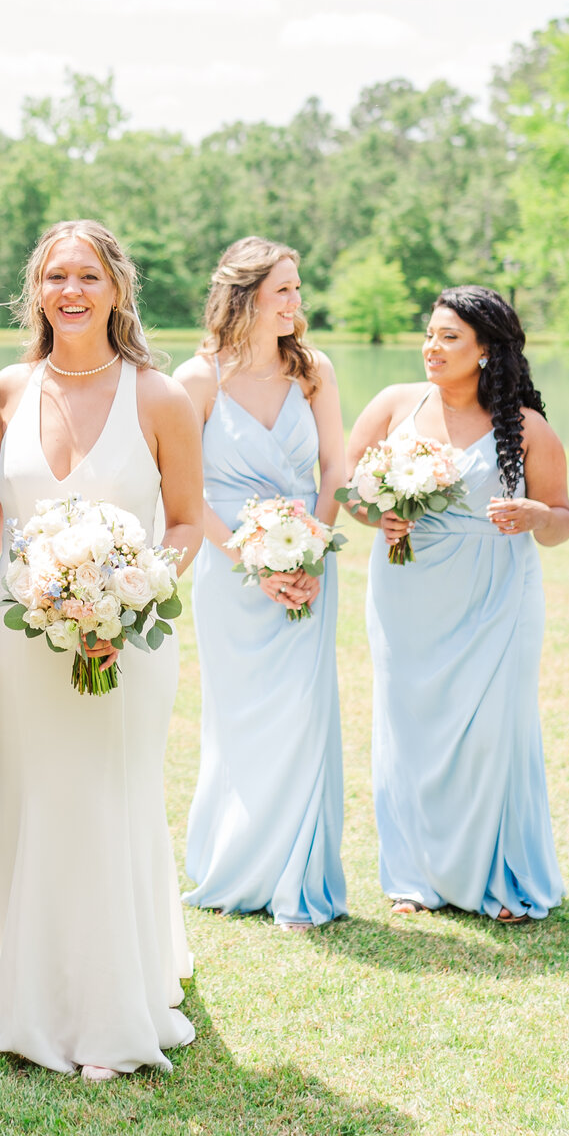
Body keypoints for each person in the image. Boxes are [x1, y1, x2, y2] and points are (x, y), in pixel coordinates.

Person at [0, 219, 208, 1081]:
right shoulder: (7, 388)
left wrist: (136, 589)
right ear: (36, 291)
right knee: (34, 795)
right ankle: (25, 974)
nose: (70, 290)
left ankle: (122, 993)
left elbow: (187, 519)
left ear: (118, 287)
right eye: (54, 276)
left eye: (87, 274)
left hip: (130, 636)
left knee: (113, 794)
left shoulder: (158, 396)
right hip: (24, 635)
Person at [343, 286, 569, 921]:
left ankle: (497, 877)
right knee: (409, 727)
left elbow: (563, 521)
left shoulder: (527, 429)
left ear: (487, 353)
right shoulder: (394, 405)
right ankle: (413, 876)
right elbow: (346, 485)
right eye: (430, 333)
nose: (432, 347)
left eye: (450, 338)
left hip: (496, 595)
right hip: (407, 589)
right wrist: (377, 515)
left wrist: (533, 515)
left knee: (491, 734)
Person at [172, 237, 350, 932]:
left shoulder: (314, 371)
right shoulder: (198, 380)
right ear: (244, 296)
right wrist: (253, 557)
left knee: (305, 719)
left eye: (298, 290)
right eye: (285, 290)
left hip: (309, 569)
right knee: (239, 718)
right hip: (230, 573)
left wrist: (312, 550)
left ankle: (298, 878)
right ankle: (236, 865)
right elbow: (183, 491)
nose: (297, 304)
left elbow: (335, 467)